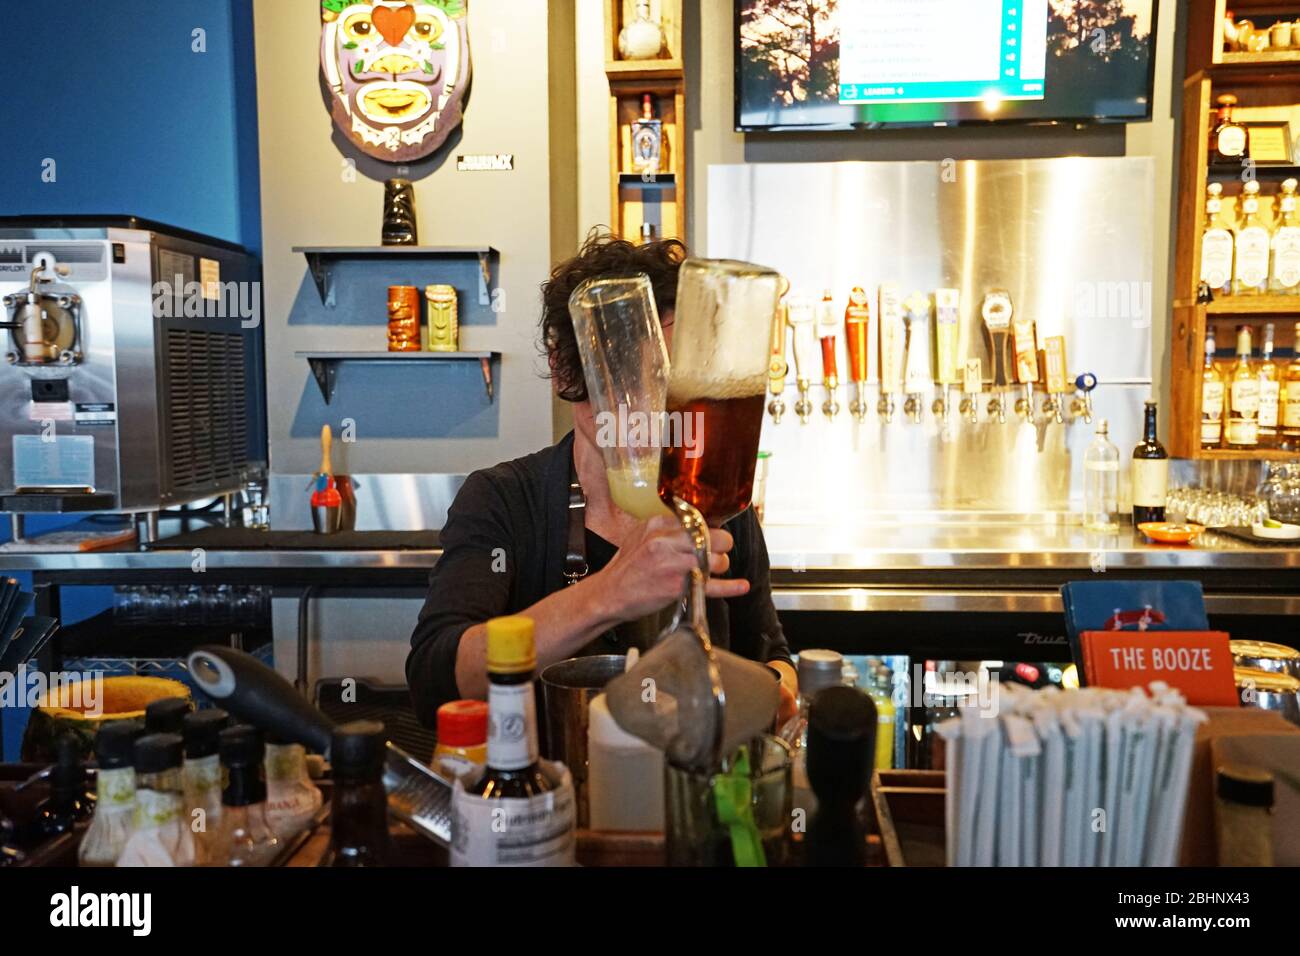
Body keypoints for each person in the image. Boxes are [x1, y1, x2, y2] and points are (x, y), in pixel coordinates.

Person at [407, 232, 798, 727]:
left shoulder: (713, 504)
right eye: (627, 371)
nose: (654, 403)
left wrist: (772, 692)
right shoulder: (504, 500)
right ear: (567, 369)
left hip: (685, 793)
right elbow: (436, 679)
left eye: (672, 376)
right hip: (551, 792)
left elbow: (773, 656)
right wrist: (609, 592)